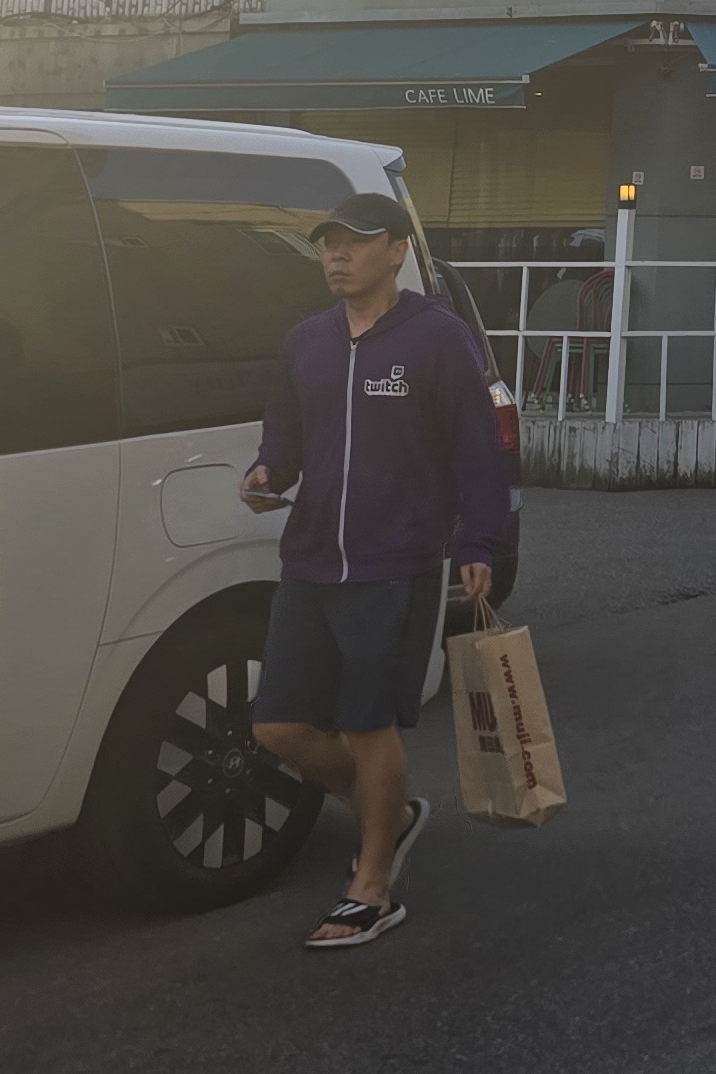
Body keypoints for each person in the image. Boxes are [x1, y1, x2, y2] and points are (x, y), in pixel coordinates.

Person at [241, 193, 517, 951]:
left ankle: (372, 886)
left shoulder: (437, 338)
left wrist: (479, 542)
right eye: (328, 243)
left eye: (356, 242)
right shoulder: (306, 342)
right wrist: (268, 472)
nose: (337, 255)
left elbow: (478, 446)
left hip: (394, 560)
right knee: (278, 725)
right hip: (309, 559)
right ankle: (387, 816)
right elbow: (285, 436)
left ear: (397, 252)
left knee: (368, 724)